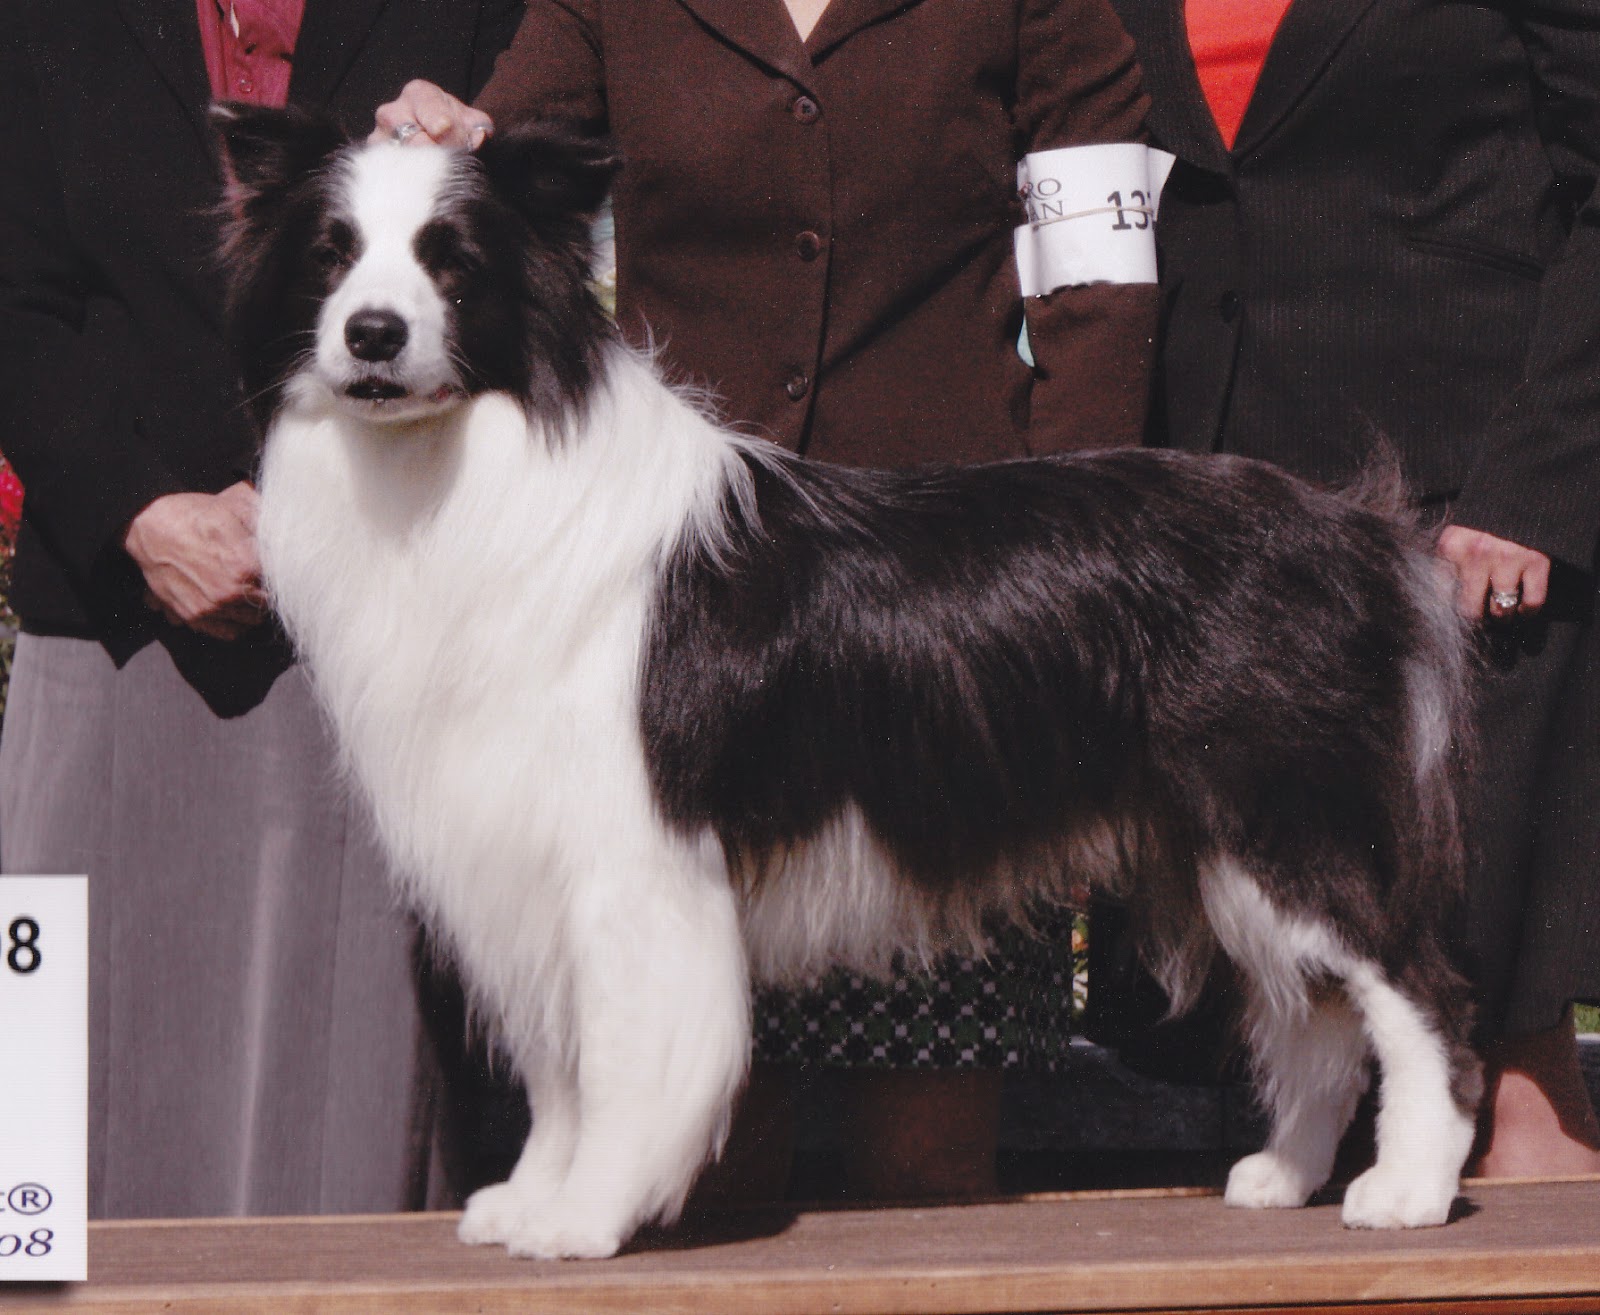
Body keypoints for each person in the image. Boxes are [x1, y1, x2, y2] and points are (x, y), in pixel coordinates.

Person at [372, 0, 1161, 1201]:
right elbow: (505, 143)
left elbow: (1098, 285)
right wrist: (449, 133)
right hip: (690, 619)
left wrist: (1052, 591)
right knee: (701, 1160)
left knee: (927, 1157)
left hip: (936, 638)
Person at [0, 0, 522, 1218]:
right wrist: (137, 511)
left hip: (387, 654)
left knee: (353, 1148)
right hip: (114, 631)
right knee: (44, 1158)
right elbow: (10, 295)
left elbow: (533, 286)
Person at [1102, 0, 1600, 1176]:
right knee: (1276, 1073)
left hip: (1463, 525)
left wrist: (1536, 478)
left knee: (1501, 1058)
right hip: (1214, 535)